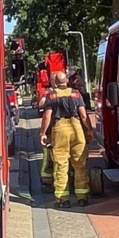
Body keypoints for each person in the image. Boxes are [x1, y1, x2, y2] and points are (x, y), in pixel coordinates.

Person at [39, 72, 91, 208]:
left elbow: (47, 116)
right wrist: (90, 130)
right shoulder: (76, 93)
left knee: (61, 165)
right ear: (66, 81)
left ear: (55, 82)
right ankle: (82, 197)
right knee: (80, 163)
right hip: (76, 128)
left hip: (60, 129)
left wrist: (43, 133)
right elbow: (84, 116)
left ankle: (63, 199)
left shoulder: (51, 95)